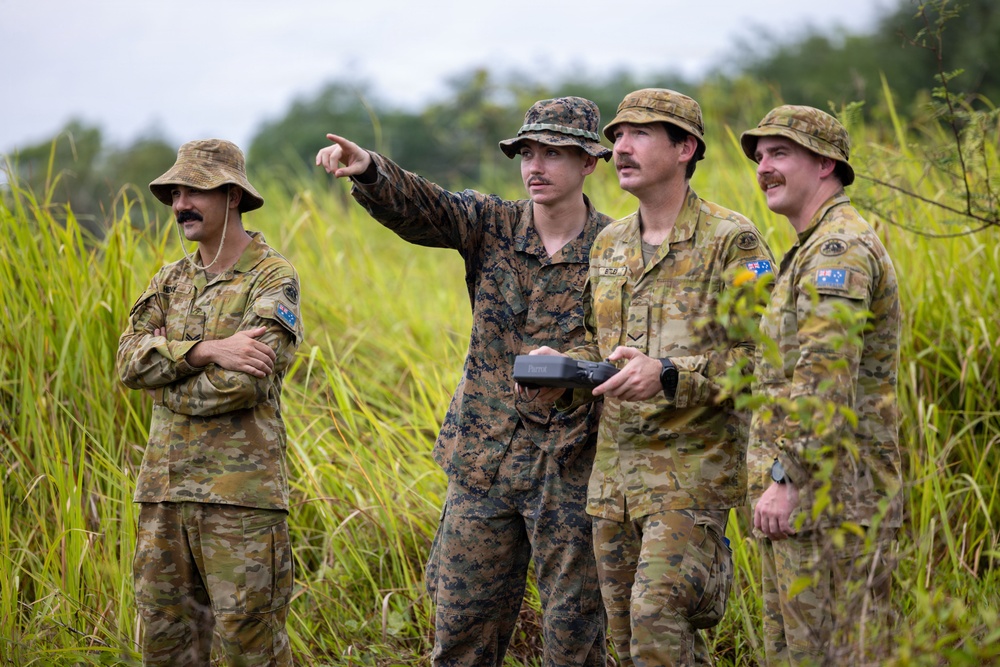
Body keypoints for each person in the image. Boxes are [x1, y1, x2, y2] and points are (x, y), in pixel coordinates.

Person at [316, 97, 612, 666]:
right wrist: (372, 172)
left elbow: (624, 348)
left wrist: (572, 370)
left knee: (574, 640)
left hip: (570, 464)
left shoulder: (615, 247)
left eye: (554, 153)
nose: (536, 166)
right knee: (460, 634)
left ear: (589, 162)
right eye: (527, 152)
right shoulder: (491, 223)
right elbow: (427, 207)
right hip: (482, 461)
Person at [530, 88, 775, 666]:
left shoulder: (732, 242)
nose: (621, 148)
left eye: (640, 134)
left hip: (691, 480)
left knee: (656, 620)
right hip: (613, 485)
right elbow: (602, 347)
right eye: (616, 137)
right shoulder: (609, 244)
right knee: (630, 646)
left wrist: (667, 374)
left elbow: (764, 360)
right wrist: (560, 368)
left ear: (685, 147)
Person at [117, 139, 304, 666]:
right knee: (164, 640)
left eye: (194, 189)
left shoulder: (272, 277)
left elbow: (245, 383)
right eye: (175, 191)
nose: (180, 204)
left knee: (251, 645)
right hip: (164, 493)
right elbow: (129, 362)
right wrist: (206, 350)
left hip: (241, 499)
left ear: (232, 196)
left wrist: (167, 379)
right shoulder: (170, 280)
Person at [740, 105, 903, 665]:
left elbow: (824, 374)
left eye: (780, 153)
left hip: (829, 504)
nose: (764, 167)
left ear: (827, 163)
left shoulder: (840, 249)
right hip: (807, 506)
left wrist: (788, 476)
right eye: (760, 156)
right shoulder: (809, 248)